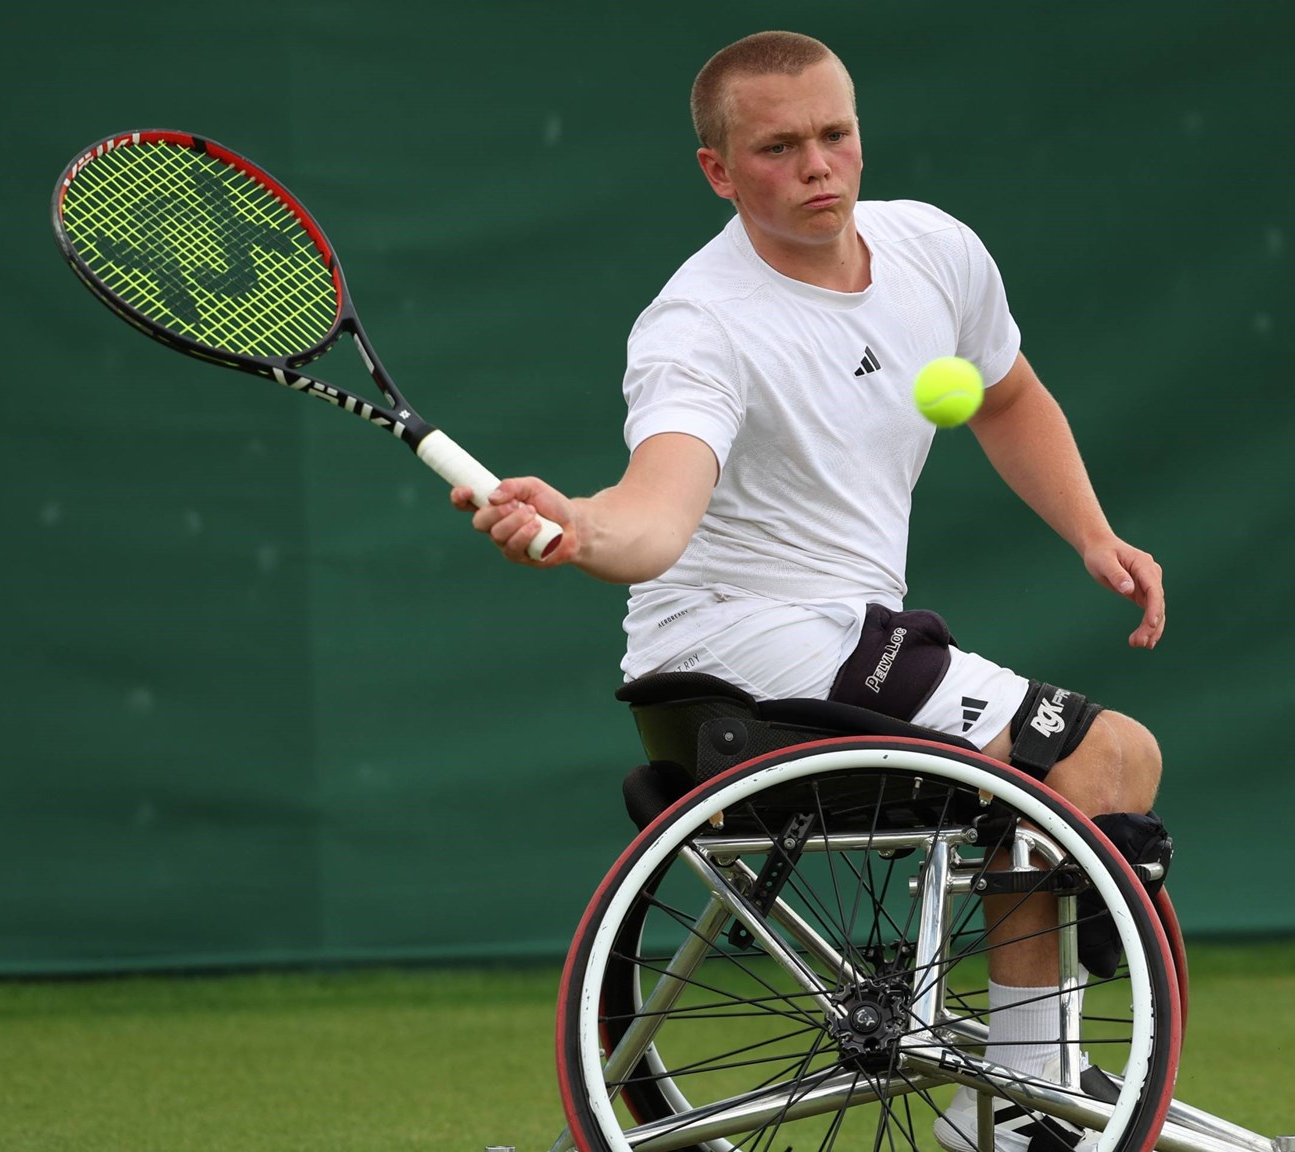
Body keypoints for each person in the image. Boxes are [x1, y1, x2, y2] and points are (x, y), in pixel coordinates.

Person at [453, 31, 1168, 1152]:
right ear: (718, 170)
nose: (818, 167)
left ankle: (1020, 1091)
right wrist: (580, 527)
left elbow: (1008, 394)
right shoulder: (699, 328)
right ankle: (1018, 1112)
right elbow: (656, 514)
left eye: (834, 134)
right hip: (738, 653)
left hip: (848, 636)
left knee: (1093, 765)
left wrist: (1091, 533)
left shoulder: (932, 251)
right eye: (778, 148)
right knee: (1101, 755)